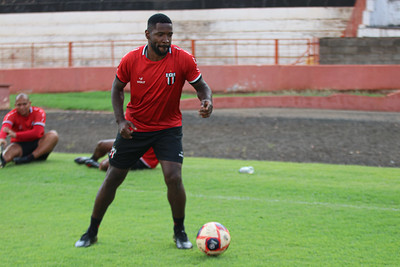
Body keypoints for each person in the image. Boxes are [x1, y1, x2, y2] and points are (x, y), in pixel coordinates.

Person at [75, 13, 213, 249]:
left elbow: (202, 87)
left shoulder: (183, 59)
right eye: (160, 34)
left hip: (168, 128)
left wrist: (207, 101)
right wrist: (120, 122)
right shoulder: (131, 59)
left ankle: (179, 232)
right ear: (148, 34)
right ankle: (91, 231)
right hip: (134, 127)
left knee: (174, 177)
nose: (166, 40)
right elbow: (117, 88)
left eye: (169, 35)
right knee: (113, 178)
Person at [0, 93, 59, 168]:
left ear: (29, 103)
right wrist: (2, 138)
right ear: (15, 105)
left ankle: (29, 158)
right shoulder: (11, 115)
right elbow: (5, 128)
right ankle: (6, 161)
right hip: (19, 145)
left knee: (53, 135)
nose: (22, 107)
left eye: (24, 104)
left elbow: (37, 133)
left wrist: (16, 135)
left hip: (38, 144)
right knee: (6, 156)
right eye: (19, 105)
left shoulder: (39, 112)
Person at [74, 139, 159, 171]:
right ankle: (92, 159)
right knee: (101, 144)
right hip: (129, 145)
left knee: (105, 165)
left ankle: (96, 165)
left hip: (144, 159)